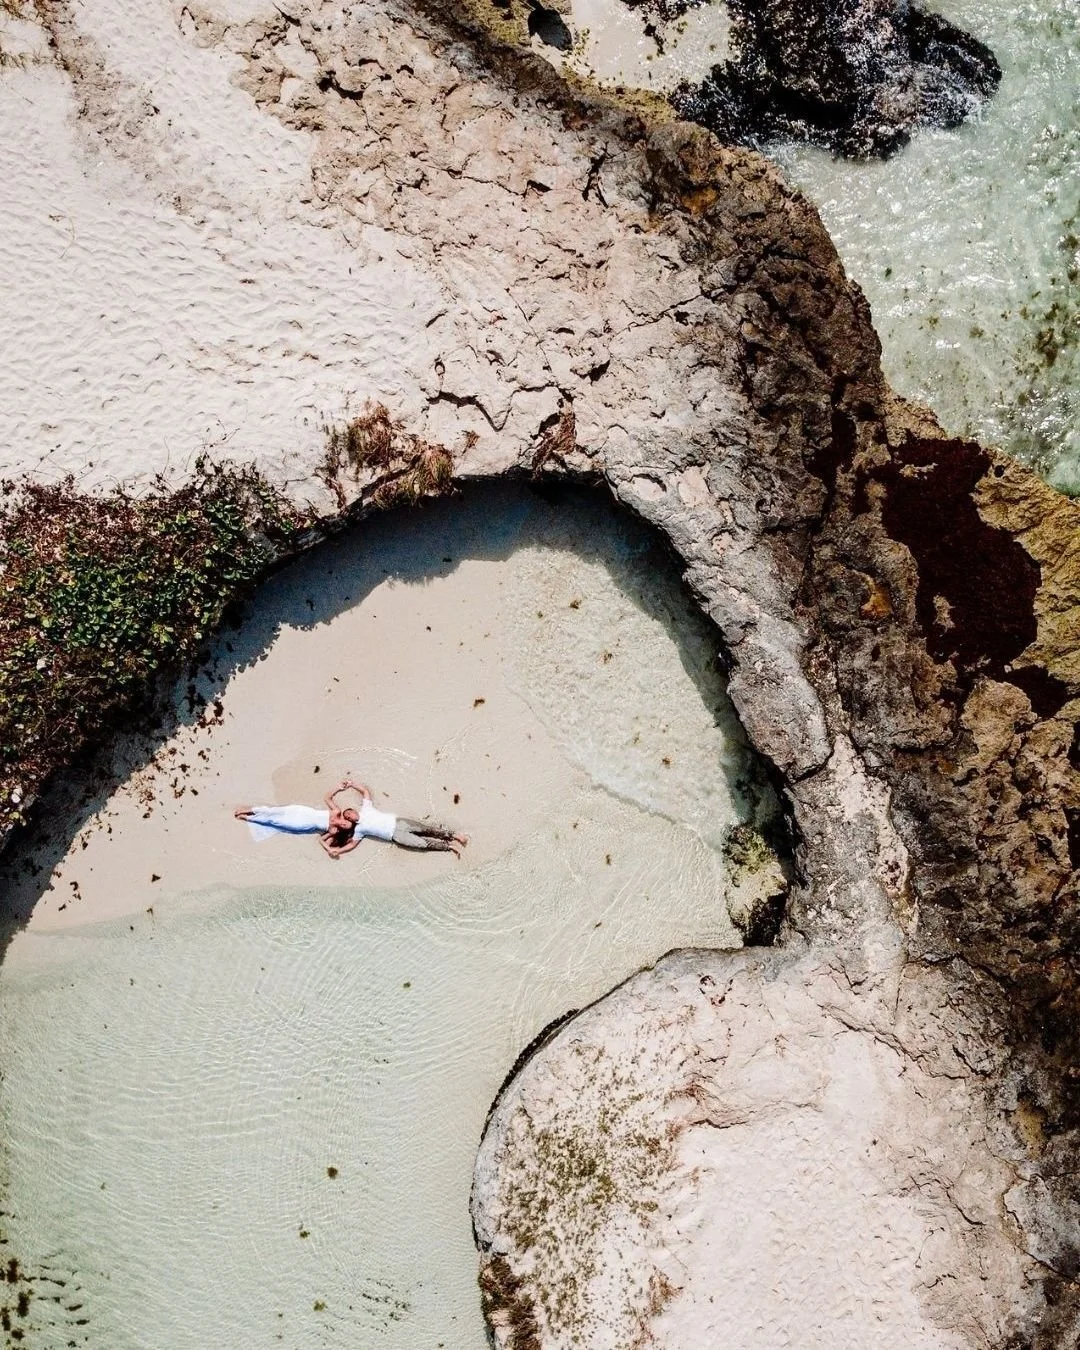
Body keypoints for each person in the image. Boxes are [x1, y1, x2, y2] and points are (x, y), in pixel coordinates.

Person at [234, 778, 468, 859]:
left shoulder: (366, 810)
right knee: (423, 845)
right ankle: (449, 848)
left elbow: (365, 793)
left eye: (349, 814)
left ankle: (454, 835)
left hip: (398, 823)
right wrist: (334, 850)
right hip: (394, 836)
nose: (349, 817)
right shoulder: (357, 832)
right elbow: (350, 846)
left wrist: (350, 784)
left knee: (426, 829)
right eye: (347, 817)